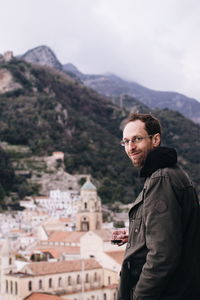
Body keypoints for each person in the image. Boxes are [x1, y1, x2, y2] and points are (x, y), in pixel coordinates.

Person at [112, 113, 200, 300]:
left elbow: (162, 256)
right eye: (126, 142)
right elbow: (170, 230)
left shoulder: (161, 179)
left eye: (136, 139)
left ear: (155, 139)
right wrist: (137, 234)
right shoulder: (165, 174)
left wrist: (139, 296)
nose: (130, 147)